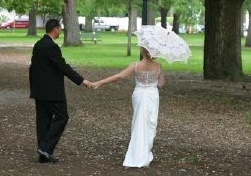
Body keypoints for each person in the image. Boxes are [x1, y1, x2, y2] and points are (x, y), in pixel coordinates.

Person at [29, 19, 92, 163]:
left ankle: (43, 154)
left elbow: (33, 68)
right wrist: (82, 81)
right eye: (60, 28)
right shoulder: (52, 47)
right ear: (55, 29)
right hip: (52, 92)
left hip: (39, 90)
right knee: (62, 117)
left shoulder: (38, 45)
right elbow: (63, 67)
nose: (61, 31)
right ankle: (45, 147)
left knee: (43, 120)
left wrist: (34, 87)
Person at [93, 47, 164, 168]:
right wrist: (154, 81)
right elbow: (161, 84)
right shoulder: (158, 66)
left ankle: (137, 154)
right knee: (149, 124)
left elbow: (119, 76)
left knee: (138, 122)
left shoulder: (136, 65)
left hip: (139, 95)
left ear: (142, 51)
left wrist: (99, 83)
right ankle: (143, 153)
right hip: (152, 96)